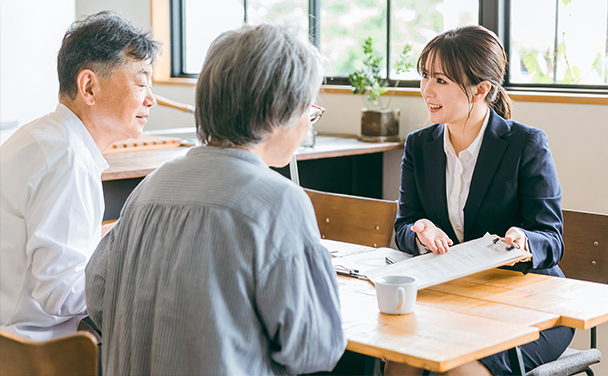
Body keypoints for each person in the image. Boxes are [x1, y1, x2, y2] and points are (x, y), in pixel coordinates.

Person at [85, 23, 347, 376]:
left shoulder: (149, 188)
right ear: (277, 113)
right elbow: (315, 349)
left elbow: (98, 299)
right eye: (308, 109)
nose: (307, 124)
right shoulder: (278, 201)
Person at [387, 25, 574, 376]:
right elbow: (403, 226)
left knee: (456, 368)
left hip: (530, 304)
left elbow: (551, 238)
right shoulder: (419, 145)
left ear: (481, 89)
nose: (426, 89)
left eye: (441, 80)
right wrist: (418, 230)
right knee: (401, 357)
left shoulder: (525, 144)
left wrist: (523, 240)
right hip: (454, 298)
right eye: (425, 75)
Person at [0, 11, 160, 341]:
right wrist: (140, 272)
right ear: (88, 86)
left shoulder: (40, 137)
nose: (151, 99)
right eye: (141, 82)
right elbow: (61, 293)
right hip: (32, 352)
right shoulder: (68, 160)